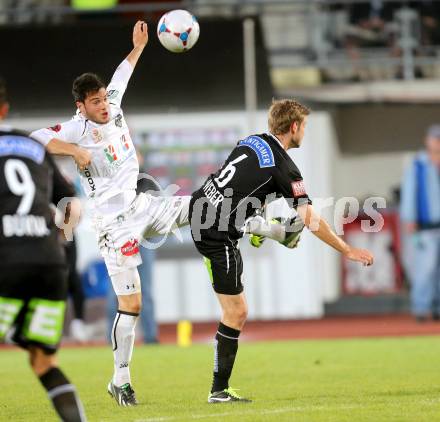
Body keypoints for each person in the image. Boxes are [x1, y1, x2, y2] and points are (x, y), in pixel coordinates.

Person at [31, 20, 287, 406]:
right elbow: (36, 138)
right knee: (132, 305)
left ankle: (266, 228)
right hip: (113, 224)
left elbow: (122, 74)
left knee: (205, 205)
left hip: (142, 205)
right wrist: (74, 152)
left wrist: (138, 48)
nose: (103, 106)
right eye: (95, 102)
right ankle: (120, 379)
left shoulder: (113, 104)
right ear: (80, 106)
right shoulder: (75, 129)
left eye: (103, 99)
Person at [189, 99, 374, 403]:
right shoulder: (286, 169)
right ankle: (218, 391)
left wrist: (252, 217)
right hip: (216, 232)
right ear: (294, 127)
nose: (304, 132)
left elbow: (242, 181)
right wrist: (346, 249)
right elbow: (310, 218)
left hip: (201, 206)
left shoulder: (252, 140)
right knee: (237, 312)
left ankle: (266, 229)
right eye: (304, 126)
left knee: (265, 239)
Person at [0, 78, 87, 421]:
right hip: (50, 264)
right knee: (43, 361)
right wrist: (57, 239)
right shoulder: (29, 143)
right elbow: (72, 207)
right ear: (6, 108)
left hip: (5, 264)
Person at [400, 125, 440, 321]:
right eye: (435, 139)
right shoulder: (418, 165)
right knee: (425, 268)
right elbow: (409, 194)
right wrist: (409, 218)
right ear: (428, 141)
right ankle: (421, 308)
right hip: (425, 227)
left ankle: (438, 307)